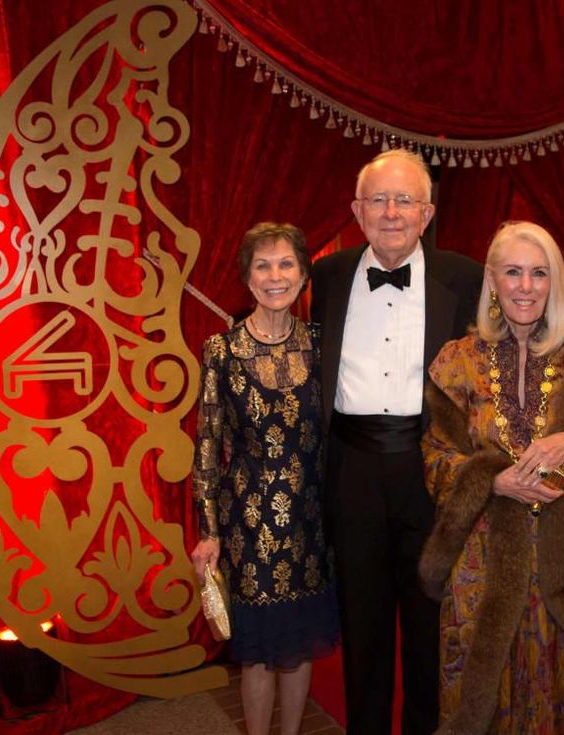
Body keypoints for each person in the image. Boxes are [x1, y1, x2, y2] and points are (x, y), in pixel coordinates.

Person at [418, 221, 564, 734]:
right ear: (492, 279)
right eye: (513, 273)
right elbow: (436, 461)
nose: (525, 287)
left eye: (538, 273)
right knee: (481, 697)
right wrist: (493, 480)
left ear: (555, 282)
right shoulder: (455, 362)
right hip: (483, 566)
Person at [310, 149, 483, 734]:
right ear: (356, 211)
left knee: (430, 621)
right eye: (378, 200)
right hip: (352, 468)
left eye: (404, 200)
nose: (390, 213)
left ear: (427, 213)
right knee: (362, 625)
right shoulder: (326, 277)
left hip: (429, 466)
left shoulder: (464, 277)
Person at [190, 222, 339, 735]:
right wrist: (208, 531)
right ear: (247, 277)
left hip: (312, 520)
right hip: (248, 523)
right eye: (263, 265)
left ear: (302, 274)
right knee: (257, 653)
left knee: (298, 646)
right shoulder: (221, 351)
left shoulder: (323, 345)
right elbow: (207, 445)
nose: (275, 276)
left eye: (286, 264)